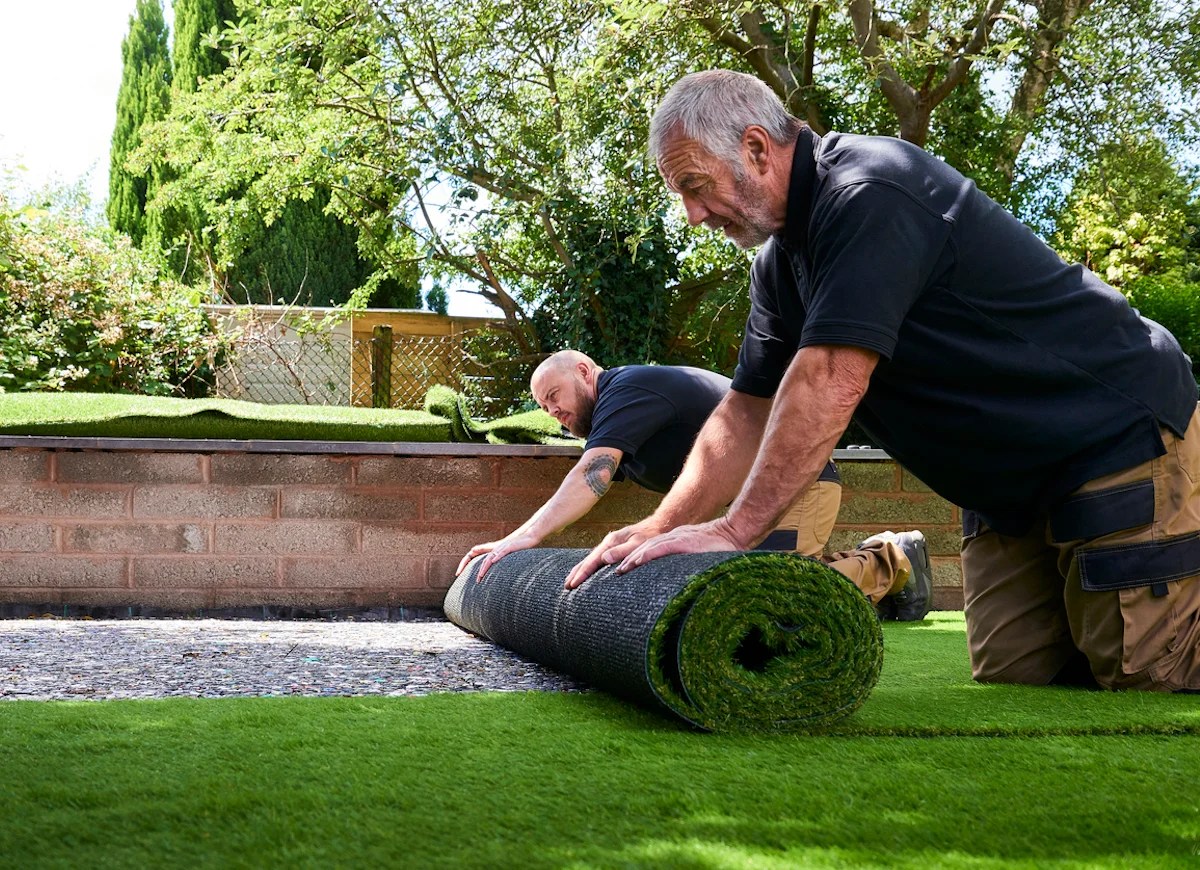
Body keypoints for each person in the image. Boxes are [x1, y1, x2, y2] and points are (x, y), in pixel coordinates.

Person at [567, 69, 1200, 693]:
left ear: (756, 149)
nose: (692, 215)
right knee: (1019, 672)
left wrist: (736, 531)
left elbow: (828, 378)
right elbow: (744, 411)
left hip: (1113, 433)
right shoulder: (779, 265)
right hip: (1010, 490)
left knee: (1149, 670)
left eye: (696, 187)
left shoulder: (870, 192)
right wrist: (662, 526)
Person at [457, 349, 932, 620]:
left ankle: (891, 560)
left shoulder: (626, 389)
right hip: (745, 507)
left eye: (553, 396)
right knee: (746, 598)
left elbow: (590, 477)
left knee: (777, 598)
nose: (552, 412)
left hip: (796, 482)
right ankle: (877, 578)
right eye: (544, 407)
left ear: (584, 372)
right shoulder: (623, 422)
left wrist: (521, 538)